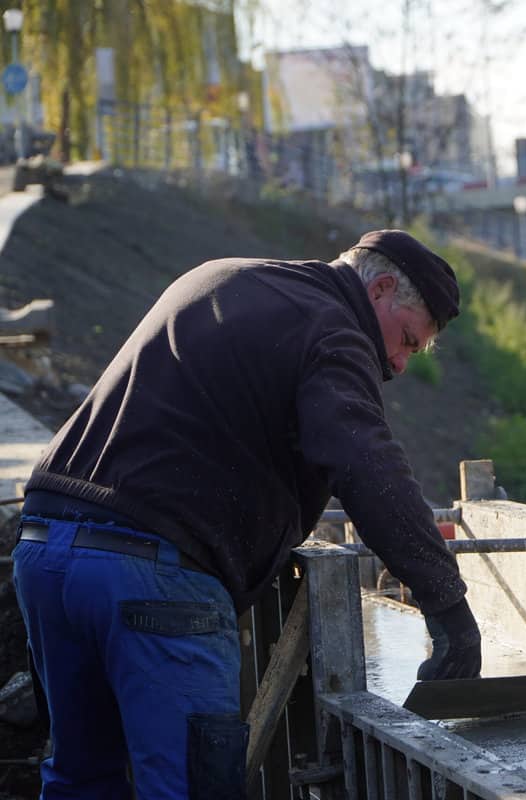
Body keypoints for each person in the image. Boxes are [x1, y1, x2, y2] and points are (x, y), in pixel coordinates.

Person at [12, 230, 482, 799]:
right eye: (407, 340)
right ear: (380, 288)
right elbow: (366, 463)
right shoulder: (332, 328)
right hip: (153, 571)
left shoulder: (226, 276)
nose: (401, 364)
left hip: (45, 549)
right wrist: (447, 605)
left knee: (80, 781)